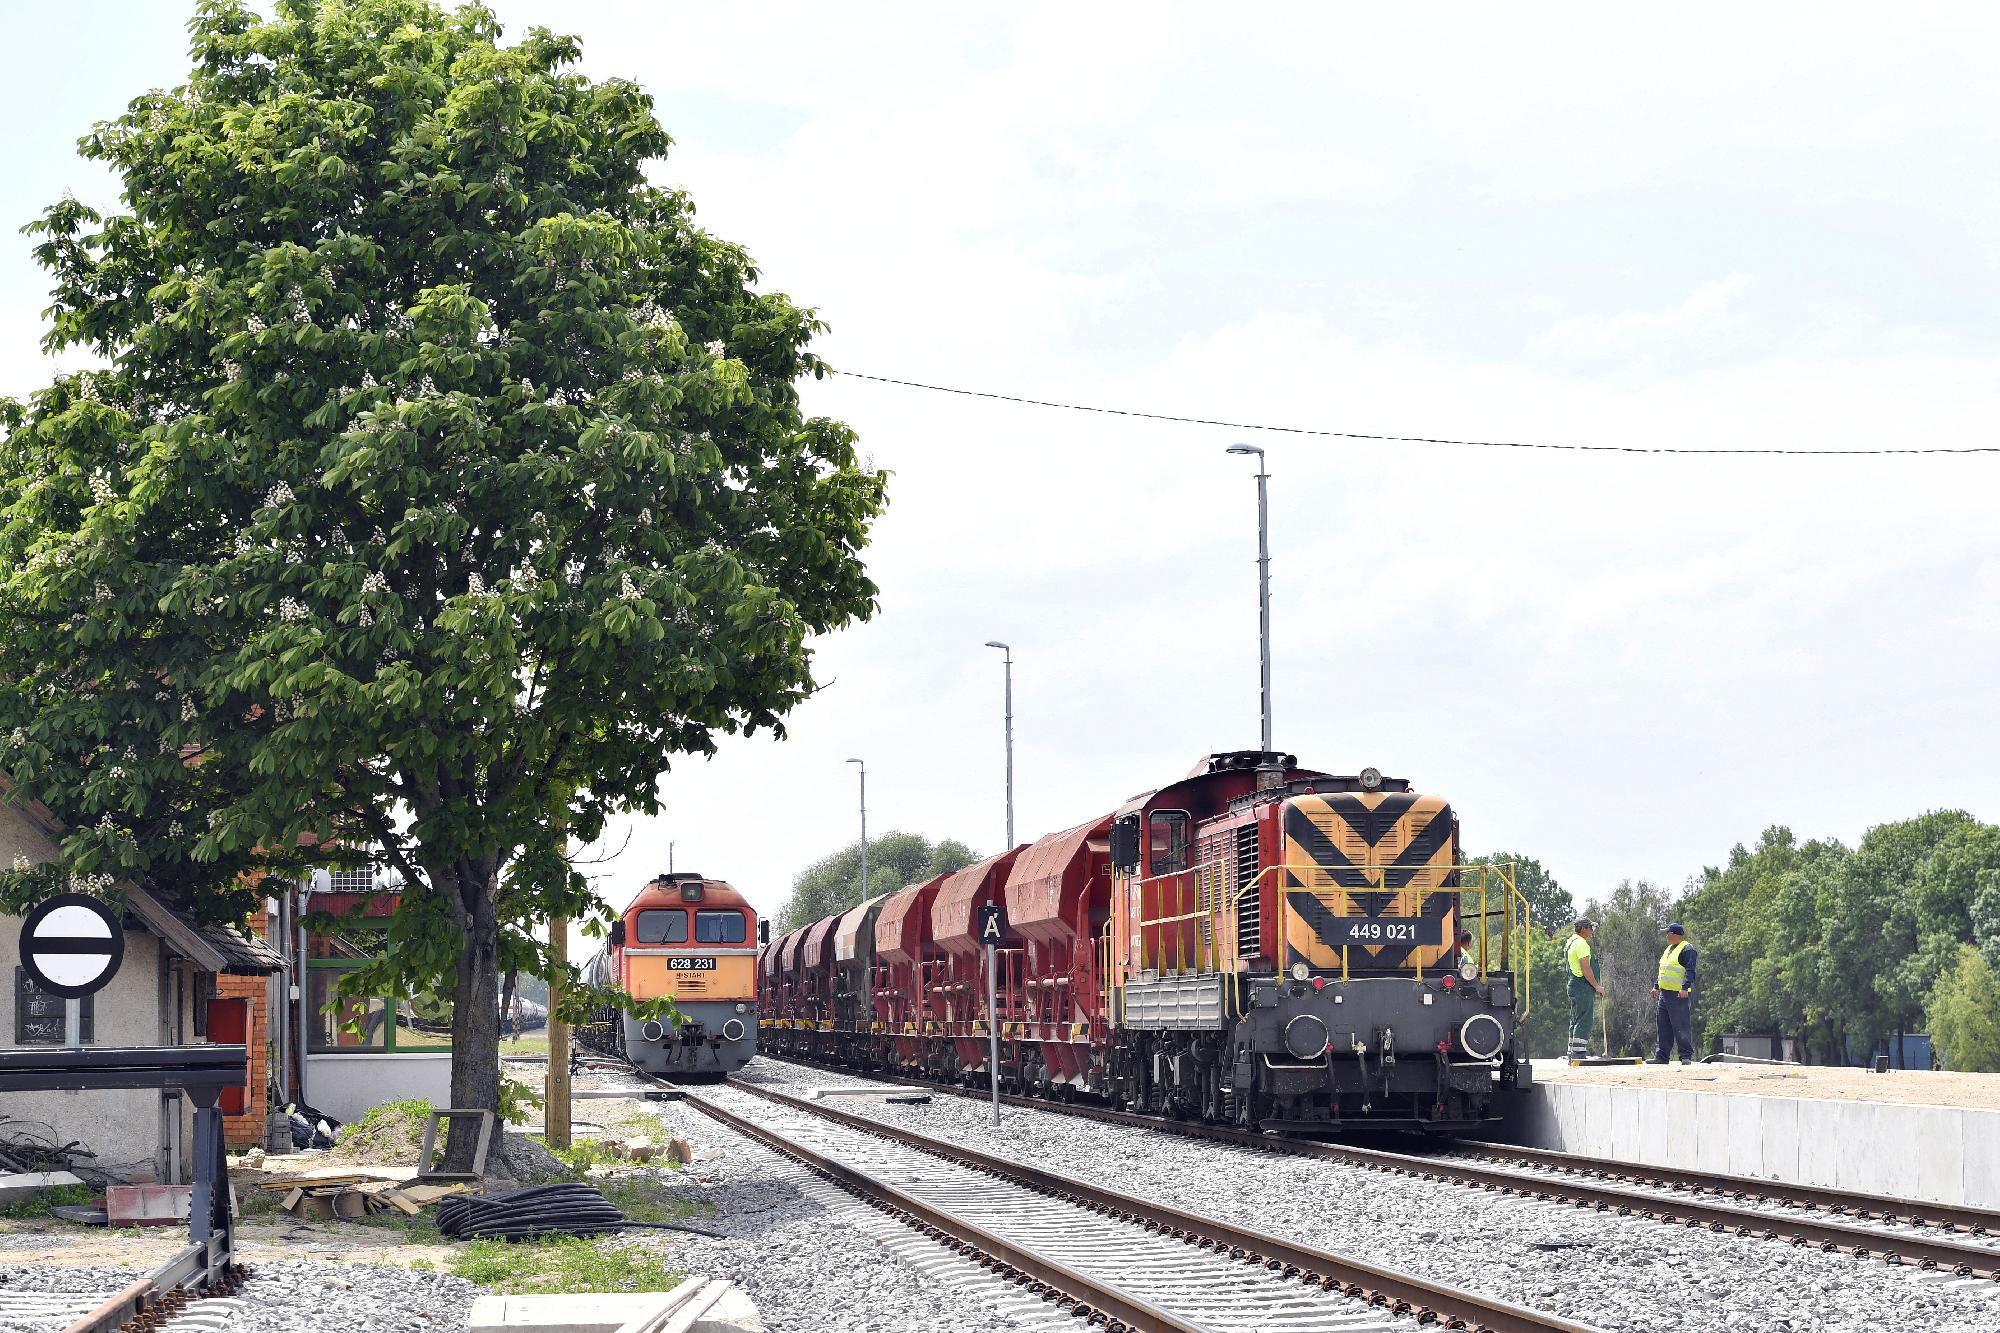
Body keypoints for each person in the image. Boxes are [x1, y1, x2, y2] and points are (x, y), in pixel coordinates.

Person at [1651, 923, 1698, 1064]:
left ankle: (1685, 1056)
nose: (1667, 936)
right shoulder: (1669, 949)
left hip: (1678, 995)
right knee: (1663, 1025)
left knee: (1681, 1025)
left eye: (1668, 933)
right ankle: (1662, 1057)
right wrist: (1656, 987)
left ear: (1675, 934)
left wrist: (1685, 988)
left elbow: (1690, 971)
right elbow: (1663, 970)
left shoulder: (1687, 949)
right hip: (1664, 994)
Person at [1565, 918, 1605, 1057]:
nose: (1592, 931)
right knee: (1584, 1019)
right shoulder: (1581, 944)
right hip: (1582, 986)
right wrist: (1597, 986)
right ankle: (1578, 1053)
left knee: (1575, 1018)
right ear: (1583, 929)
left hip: (1574, 985)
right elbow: (1586, 969)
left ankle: (1572, 1051)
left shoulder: (1571, 941)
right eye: (1590, 928)